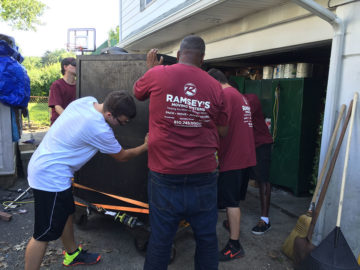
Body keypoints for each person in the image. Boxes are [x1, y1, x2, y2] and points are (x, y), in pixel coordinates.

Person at [133, 35, 228, 270]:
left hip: (165, 174)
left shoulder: (158, 74)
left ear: (178, 55)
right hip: (204, 175)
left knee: (161, 239)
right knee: (206, 239)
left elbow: (138, 93)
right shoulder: (216, 87)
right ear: (203, 58)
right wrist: (197, 117)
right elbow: (223, 130)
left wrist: (152, 69)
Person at [25, 91, 148, 270]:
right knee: (43, 233)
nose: (123, 125)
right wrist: (146, 146)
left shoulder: (87, 102)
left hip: (52, 168)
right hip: (50, 177)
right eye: (122, 122)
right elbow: (123, 156)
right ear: (108, 115)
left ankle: (72, 254)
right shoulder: (99, 128)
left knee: (67, 211)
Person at [207, 68, 256, 261]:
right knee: (232, 199)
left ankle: (234, 245)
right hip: (245, 155)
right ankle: (232, 223)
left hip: (234, 157)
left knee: (230, 202)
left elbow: (221, 128)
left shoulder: (225, 95)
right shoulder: (238, 95)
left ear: (214, 82)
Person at [244, 93, 273, 235]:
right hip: (246, 145)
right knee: (239, 177)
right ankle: (232, 213)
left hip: (260, 145)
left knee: (262, 180)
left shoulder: (251, 99)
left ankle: (265, 220)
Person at [48, 57, 77, 125]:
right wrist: (72, 120)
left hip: (75, 123)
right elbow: (58, 107)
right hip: (59, 124)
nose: (77, 66)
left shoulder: (80, 85)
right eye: (74, 65)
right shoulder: (57, 85)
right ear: (65, 67)